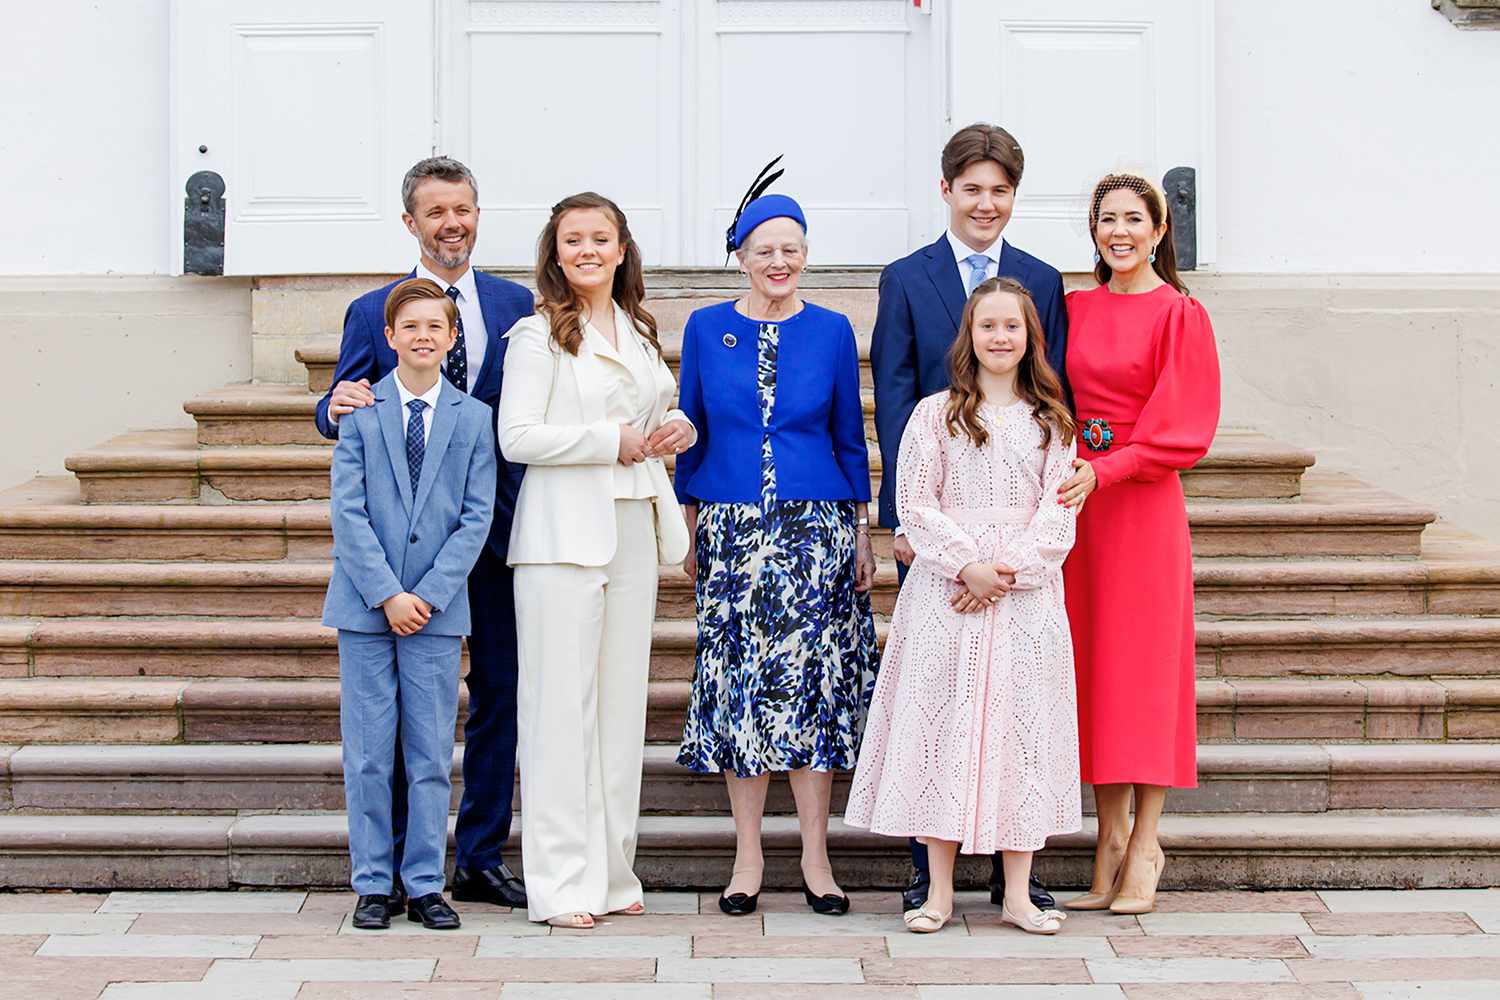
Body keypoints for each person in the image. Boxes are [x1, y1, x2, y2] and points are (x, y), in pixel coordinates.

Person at [314, 157, 532, 911]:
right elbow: (343, 400)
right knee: (395, 717)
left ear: (478, 213)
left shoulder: (515, 304)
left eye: (463, 209)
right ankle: (402, 868)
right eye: (436, 211)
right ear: (411, 221)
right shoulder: (375, 309)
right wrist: (330, 407)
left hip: (495, 533)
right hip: (401, 548)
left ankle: (477, 853)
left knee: (498, 693)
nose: (453, 223)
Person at [870, 123, 1066, 913]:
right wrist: (909, 531)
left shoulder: (1042, 279)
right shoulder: (906, 277)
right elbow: (893, 394)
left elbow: (1060, 394)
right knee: (942, 701)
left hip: (1020, 545)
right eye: (972, 188)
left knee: (1014, 703)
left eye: (1001, 190)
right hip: (938, 531)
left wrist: (1018, 558)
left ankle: (1016, 876)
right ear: (946, 191)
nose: (986, 203)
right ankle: (931, 869)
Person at [845, 277, 1079, 934]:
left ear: (1031, 337)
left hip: (1024, 599)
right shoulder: (935, 414)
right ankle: (938, 892)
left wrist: (1009, 572)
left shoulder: (1052, 420)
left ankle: (1018, 893)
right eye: (988, 326)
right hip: (948, 593)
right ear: (969, 337)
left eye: (1012, 326)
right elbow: (915, 503)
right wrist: (967, 566)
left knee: (1021, 735)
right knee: (945, 730)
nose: (1000, 337)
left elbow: (1059, 513)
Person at [674, 192, 879, 917]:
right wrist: (689, 526)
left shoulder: (830, 330)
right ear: (740, 255)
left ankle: (818, 859)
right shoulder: (704, 328)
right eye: (765, 249)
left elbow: (850, 434)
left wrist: (861, 530)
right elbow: (689, 426)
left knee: (811, 694)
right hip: (730, 528)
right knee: (740, 693)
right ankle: (748, 857)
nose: (779, 262)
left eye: (792, 248)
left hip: (813, 530)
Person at [498, 192, 695, 928]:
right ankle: (559, 883)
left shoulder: (638, 331)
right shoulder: (536, 335)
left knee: (619, 711)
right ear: (556, 252)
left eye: (600, 238)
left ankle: (613, 872)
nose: (586, 250)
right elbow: (517, 436)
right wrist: (606, 440)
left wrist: (672, 427)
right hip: (560, 541)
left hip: (631, 532)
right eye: (572, 239)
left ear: (621, 249)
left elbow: (651, 413)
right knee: (559, 713)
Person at [1056, 172, 1221, 915]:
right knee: (1091, 669)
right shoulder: (1071, 307)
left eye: (1133, 219)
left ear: (1159, 230)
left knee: (1144, 673)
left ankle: (1148, 840)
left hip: (1142, 507)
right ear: (1093, 231)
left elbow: (1184, 432)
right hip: (1076, 508)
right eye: (1105, 219)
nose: (1118, 231)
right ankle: (1108, 836)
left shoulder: (1180, 314)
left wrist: (1108, 469)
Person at [323, 278, 497, 931]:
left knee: (428, 753)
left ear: (452, 340)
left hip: (436, 611)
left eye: (436, 327)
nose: (423, 336)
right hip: (366, 609)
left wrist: (423, 595)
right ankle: (373, 882)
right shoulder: (361, 412)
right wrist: (387, 593)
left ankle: (424, 880)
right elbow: (349, 511)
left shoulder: (473, 418)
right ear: (390, 337)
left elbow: (475, 517)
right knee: (369, 753)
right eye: (410, 326)